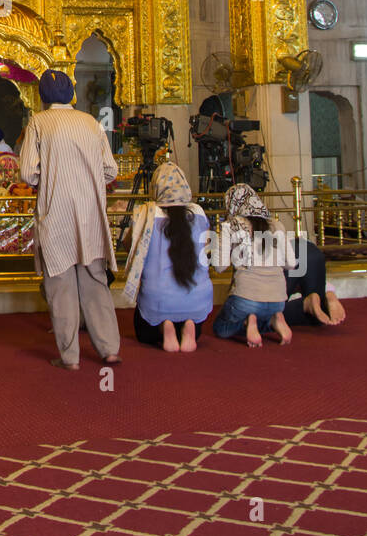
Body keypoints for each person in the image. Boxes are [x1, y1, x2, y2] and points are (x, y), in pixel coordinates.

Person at [19, 69, 121, 370]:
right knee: (95, 281)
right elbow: (110, 170)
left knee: (60, 286)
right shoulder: (90, 122)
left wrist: (52, 177)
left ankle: (70, 357)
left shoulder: (39, 122)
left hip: (56, 214)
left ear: (42, 96)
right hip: (90, 216)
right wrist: (87, 180)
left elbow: (27, 173)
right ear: (71, 94)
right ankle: (109, 349)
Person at [122, 162, 212, 352]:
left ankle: (164, 326)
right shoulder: (198, 213)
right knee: (192, 317)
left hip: (157, 302)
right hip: (196, 302)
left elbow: (129, 246)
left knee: (144, 332)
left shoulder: (146, 214)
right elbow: (205, 246)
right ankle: (188, 325)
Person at [212, 183, 295, 347]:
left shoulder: (231, 225)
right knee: (263, 311)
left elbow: (219, 267)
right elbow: (291, 264)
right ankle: (274, 319)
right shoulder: (276, 225)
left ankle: (249, 320)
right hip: (278, 301)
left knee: (220, 328)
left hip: (245, 299)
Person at [284, 237, 346, 327]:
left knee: (268, 315)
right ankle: (320, 303)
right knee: (319, 313)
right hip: (307, 250)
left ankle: (306, 305)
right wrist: (328, 291)